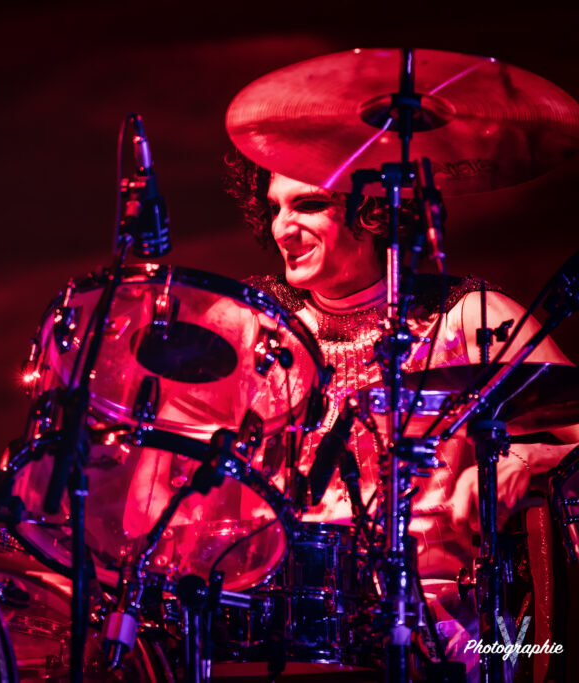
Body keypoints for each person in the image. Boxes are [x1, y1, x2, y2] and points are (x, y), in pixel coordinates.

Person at [227, 151, 578, 676]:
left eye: (308, 205)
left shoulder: (470, 317)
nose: (282, 228)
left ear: (373, 211)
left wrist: (527, 459)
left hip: (445, 633)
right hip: (279, 627)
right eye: (275, 207)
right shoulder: (254, 325)